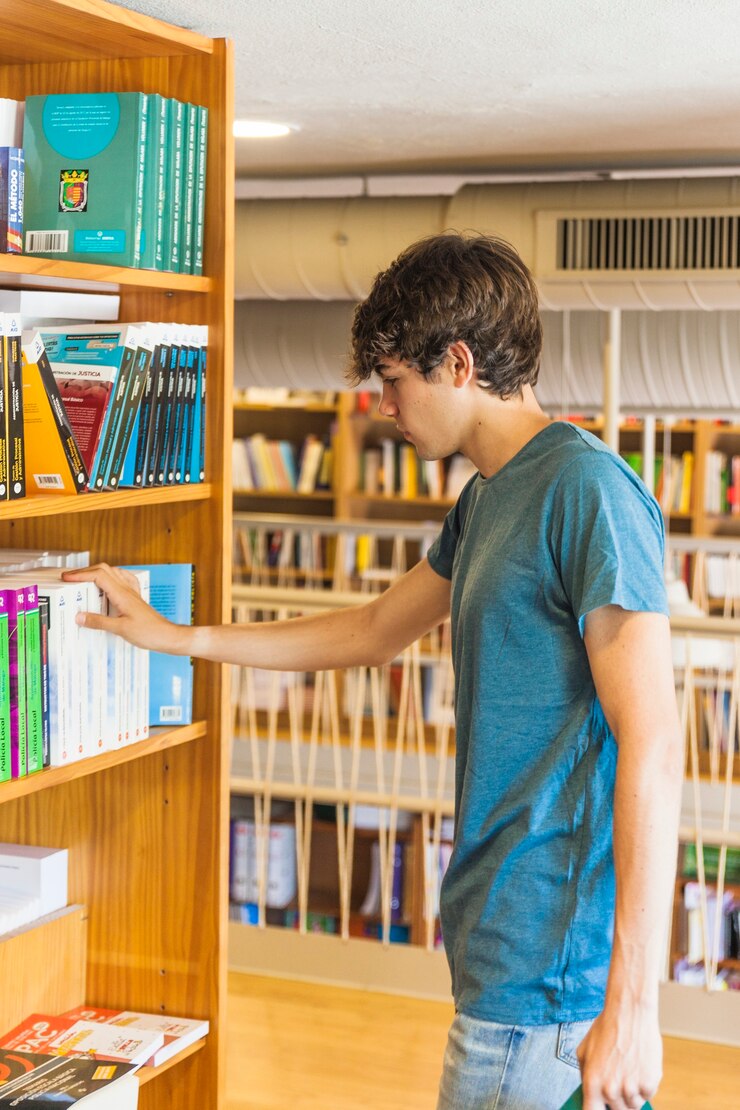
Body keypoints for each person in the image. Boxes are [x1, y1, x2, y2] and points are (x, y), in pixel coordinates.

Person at [63, 233, 684, 1110]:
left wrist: (633, 1005)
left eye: (394, 381)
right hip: (499, 954)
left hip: (551, 982)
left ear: (458, 363)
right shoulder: (485, 500)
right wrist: (180, 638)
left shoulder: (588, 494)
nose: (382, 407)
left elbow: (654, 747)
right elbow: (372, 629)